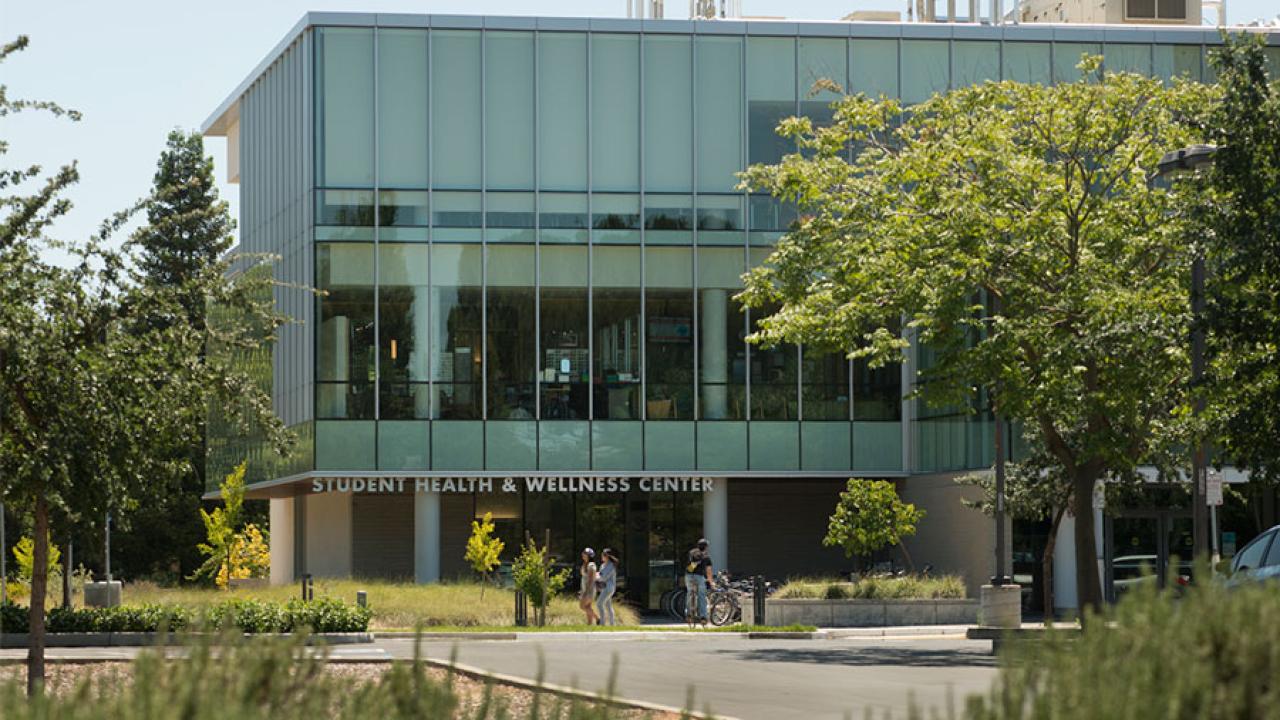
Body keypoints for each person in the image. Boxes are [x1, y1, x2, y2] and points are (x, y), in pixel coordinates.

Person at [684, 538, 714, 628]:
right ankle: (703, 617)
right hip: (699, 576)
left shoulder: (692, 552)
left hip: (689, 575)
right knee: (701, 595)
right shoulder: (706, 557)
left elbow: (689, 565)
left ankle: (688, 614)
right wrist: (711, 582)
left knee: (689, 593)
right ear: (706, 547)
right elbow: (708, 571)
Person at [595, 548, 619, 626]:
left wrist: (597, 576)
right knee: (608, 606)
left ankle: (602, 623)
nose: (602, 557)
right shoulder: (602, 565)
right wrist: (598, 577)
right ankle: (612, 624)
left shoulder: (611, 565)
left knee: (599, 604)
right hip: (604, 588)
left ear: (607, 556)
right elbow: (600, 576)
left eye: (603, 555)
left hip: (608, 588)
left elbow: (603, 577)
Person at [578, 547, 599, 625]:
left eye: (585, 553)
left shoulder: (591, 565)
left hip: (589, 589)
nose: (583, 554)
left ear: (589, 555)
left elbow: (590, 580)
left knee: (582, 606)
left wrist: (586, 592)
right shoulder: (585, 564)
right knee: (588, 607)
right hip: (585, 589)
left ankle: (597, 618)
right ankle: (589, 624)